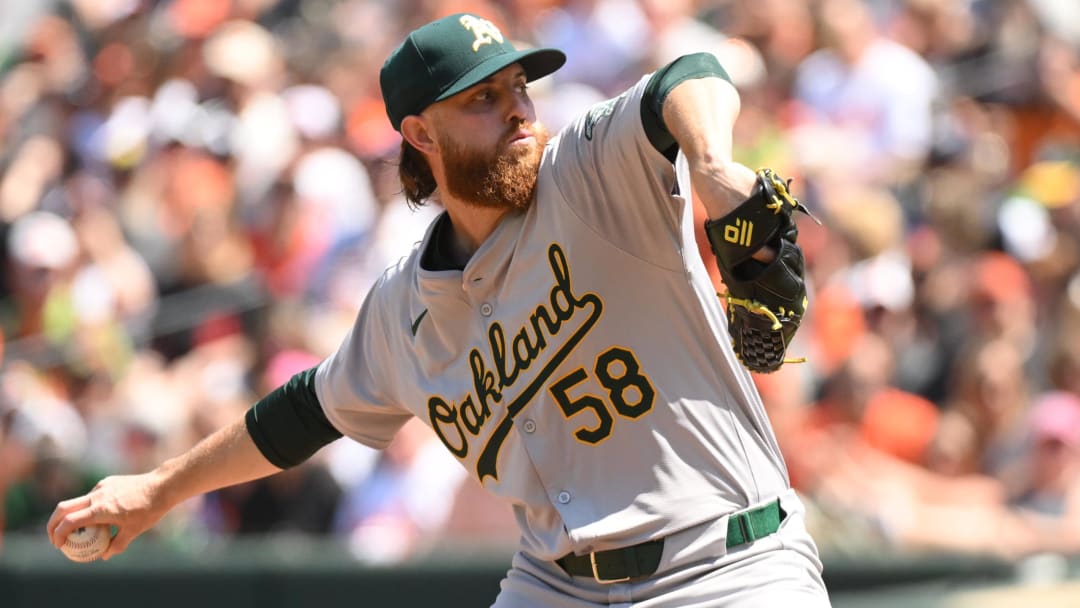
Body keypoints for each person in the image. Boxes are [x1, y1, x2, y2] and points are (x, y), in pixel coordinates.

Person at [47, 13, 830, 606]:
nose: (519, 109)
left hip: (729, 564)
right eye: (484, 98)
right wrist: (158, 490)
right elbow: (298, 416)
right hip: (557, 586)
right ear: (420, 132)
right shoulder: (401, 307)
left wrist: (714, 163)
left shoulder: (587, 173)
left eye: (520, 87)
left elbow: (688, 75)